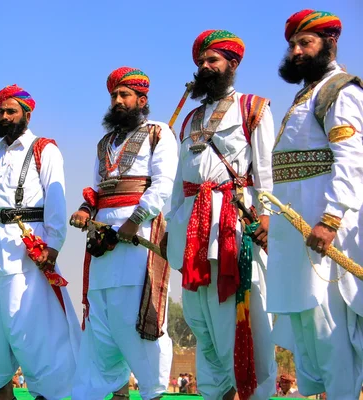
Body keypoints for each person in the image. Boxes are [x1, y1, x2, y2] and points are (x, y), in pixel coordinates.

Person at [165, 30, 277, 400]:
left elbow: (265, 172)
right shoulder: (189, 119)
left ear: (233, 64)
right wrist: (173, 230)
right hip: (191, 231)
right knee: (200, 322)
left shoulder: (253, 107)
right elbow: (181, 181)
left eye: (212, 60)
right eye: (201, 62)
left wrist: (266, 217)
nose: (205, 67)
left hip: (232, 225)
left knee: (234, 317)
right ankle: (216, 394)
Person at [267, 9, 363, 398]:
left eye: (305, 43)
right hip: (294, 237)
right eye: (292, 45)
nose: (296, 51)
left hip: (322, 231)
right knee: (307, 331)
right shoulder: (305, 95)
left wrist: (330, 219)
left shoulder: (339, 90)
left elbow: (352, 160)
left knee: (328, 331)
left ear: (330, 43)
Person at [70, 67, 176, 400]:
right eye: (114, 95)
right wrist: (86, 211)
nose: (117, 101)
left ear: (142, 99)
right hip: (103, 242)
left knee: (138, 319)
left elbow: (163, 184)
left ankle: (153, 391)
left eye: (124, 95)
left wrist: (136, 219)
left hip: (139, 238)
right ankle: (112, 392)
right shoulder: (104, 143)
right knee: (102, 319)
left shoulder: (159, 133)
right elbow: (96, 190)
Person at [0, 84, 80, 400]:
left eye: (11, 111)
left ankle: (51, 392)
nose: (4, 117)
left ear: (26, 114)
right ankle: (3, 390)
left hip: (28, 251)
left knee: (32, 328)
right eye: (1, 111)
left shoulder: (45, 149)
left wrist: (53, 245)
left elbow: (56, 202)